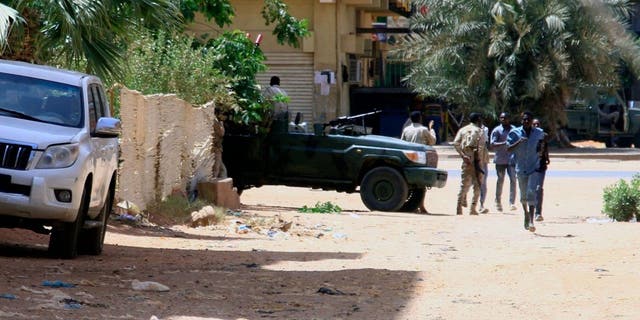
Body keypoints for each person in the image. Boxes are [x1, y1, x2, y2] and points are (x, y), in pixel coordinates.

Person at [507, 111, 546, 232]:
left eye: (528, 119)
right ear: (521, 121)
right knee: (523, 196)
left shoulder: (539, 133)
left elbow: (543, 143)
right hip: (520, 168)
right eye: (524, 119)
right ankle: (526, 213)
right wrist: (519, 142)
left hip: (533, 167)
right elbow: (508, 149)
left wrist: (541, 156)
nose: (526, 121)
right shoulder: (514, 133)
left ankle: (531, 220)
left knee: (531, 192)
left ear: (532, 121)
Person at [401, 111, 436, 213]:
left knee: (408, 184)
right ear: (420, 118)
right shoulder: (424, 129)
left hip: (408, 158)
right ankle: (420, 206)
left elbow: (402, 142)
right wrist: (431, 129)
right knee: (421, 185)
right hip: (420, 159)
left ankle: (413, 206)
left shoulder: (406, 129)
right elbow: (433, 141)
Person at [453, 112, 488, 215]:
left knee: (464, 185)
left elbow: (455, 143)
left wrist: (463, 155)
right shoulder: (480, 131)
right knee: (477, 185)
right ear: (478, 120)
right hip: (478, 162)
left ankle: (458, 208)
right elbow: (481, 149)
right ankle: (473, 209)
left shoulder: (463, 130)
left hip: (467, 160)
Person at [490, 112, 517, 212]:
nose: (503, 120)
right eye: (501, 118)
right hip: (500, 159)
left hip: (512, 159)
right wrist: (504, 143)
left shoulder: (514, 129)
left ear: (509, 119)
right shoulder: (497, 130)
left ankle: (512, 203)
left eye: (505, 118)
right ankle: (498, 201)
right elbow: (492, 144)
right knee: (500, 180)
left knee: (513, 180)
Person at [532, 118, 550, 222]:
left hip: (541, 166)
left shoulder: (544, 136)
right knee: (531, 190)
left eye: (538, 124)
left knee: (539, 188)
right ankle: (530, 211)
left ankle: (538, 213)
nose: (536, 126)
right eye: (534, 124)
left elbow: (545, 148)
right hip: (530, 166)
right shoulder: (528, 136)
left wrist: (547, 158)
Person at [478, 122, 490, 213]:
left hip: (482, 159)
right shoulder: (467, 130)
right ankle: (463, 197)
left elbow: (485, 140)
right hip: (472, 159)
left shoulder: (484, 129)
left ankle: (481, 204)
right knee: (469, 181)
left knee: (483, 183)